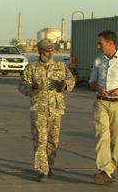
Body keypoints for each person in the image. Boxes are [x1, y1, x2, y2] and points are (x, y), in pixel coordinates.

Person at [18, 39, 75, 182]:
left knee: (53, 141)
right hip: (39, 110)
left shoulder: (60, 66)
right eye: (46, 50)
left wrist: (64, 85)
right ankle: (42, 170)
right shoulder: (32, 68)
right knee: (40, 140)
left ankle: (49, 165)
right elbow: (22, 86)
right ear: (40, 51)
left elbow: (71, 82)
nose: (49, 53)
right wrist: (33, 87)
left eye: (51, 50)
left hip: (56, 109)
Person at [89, 30, 118, 185]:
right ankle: (103, 169)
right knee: (102, 135)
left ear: (110, 43)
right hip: (101, 102)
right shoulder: (98, 60)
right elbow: (92, 81)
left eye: (100, 43)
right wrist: (98, 88)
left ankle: (110, 168)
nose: (98, 46)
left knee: (115, 139)